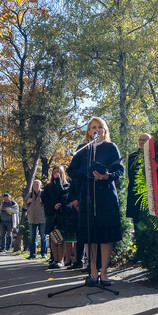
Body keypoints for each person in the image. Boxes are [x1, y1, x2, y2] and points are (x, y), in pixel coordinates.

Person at [67, 117, 125, 287]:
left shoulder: (111, 147)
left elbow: (120, 170)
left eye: (100, 127)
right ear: (89, 132)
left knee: (105, 236)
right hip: (87, 197)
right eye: (93, 127)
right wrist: (86, 173)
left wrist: (108, 176)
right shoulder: (82, 149)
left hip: (106, 197)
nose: (96, 130)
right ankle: (92, 271)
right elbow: (71, 170)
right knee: (90, 236)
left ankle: (104, 272)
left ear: (104, 130)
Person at [42, 166, 72, 268]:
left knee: (60, 239)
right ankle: (55, 259)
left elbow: (62, 194)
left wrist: (58, 180)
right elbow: (45, 199)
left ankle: (61, 260)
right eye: (54, 172)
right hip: (51, 214)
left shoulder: (67, 185)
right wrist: (53, 205)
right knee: (53, 238)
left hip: (62, 215)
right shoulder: (48, 187)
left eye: (58, 172)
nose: (55, 174)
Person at [23, 179, 47, 260]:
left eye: (37, 184)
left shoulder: (44, 193)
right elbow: (24, 207)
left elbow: (48, 204)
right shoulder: (29, 195)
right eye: (34, 184)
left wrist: (43, 201)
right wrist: (27, 202)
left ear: (40, 185)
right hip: (32, 219)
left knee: (43, 237)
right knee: (32, 238)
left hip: (42, 218)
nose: (36, 186)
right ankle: (32, 255)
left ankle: (44, 254)